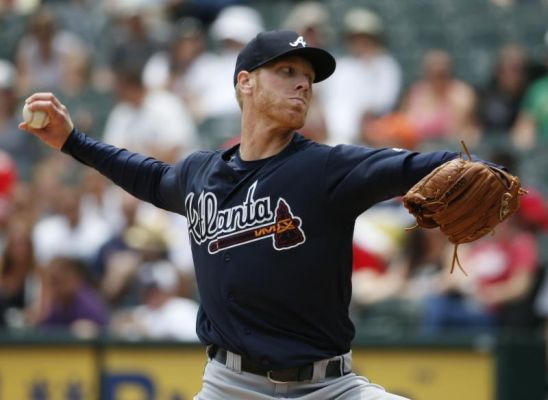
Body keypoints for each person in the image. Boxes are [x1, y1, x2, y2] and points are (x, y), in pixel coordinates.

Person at [22, 30, 476, 400]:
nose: (303, 84)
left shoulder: (325, 168)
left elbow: (411, 165)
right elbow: (145, 174)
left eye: (308, 77)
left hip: (329, 389)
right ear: (245, 83)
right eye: (286, 71)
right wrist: (72, 141)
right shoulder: (201, 174)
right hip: (229, 387)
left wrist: (477, 168)